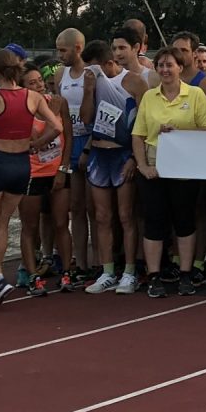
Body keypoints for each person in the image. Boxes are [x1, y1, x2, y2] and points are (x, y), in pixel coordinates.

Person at [0, 49, 63, 310]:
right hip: (22, 165)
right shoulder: (33, 97)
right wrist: (36, 144)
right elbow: (57, 126)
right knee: (1, 223)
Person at [131, 46, 206, 298]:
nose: (165, 70)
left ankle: (186, 274)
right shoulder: (149, 96)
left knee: (184, 221)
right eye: (160, 65)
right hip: (154, 167)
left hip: (184, 169)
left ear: (180, 67)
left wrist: (180, 133)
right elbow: (138, 135)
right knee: (154, 222)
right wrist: (142, 166)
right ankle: (154, 276)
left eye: (170, 65)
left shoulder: (195, 94)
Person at [81, 40, 148, 295]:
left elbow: (144, 124)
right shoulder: (92, 83)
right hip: (100, 154)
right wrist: (88, 90)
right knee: (102, 216)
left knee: (126, 215)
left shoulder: (135, 82)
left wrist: (134, 158)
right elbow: (86, 119)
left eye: (93, 69)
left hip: (123, 154)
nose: (89, 73)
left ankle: (130, 272)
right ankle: (107, 271)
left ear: (108, 63)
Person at [19, 63, 72, 295]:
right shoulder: (22, 110)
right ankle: (32, 276)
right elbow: (32, 144)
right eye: (32, 83)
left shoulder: (59, 103)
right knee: (30, 226)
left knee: (61, 222)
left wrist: (63, 168)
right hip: (32, 173)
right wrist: (52, 120)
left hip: (56, 170)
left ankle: (67, 272)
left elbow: (68, 136)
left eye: (40, 80)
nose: (39, 85)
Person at [55, 28, 92, 276]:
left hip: (91, 142)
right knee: (76, 207)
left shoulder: (92, 73)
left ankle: (101, 261)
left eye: (63, 50)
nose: (59, 55)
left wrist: (90, 145)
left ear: (78, 48)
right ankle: (81, 263)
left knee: (96, 209)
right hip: (71, 142)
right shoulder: (61, 74)